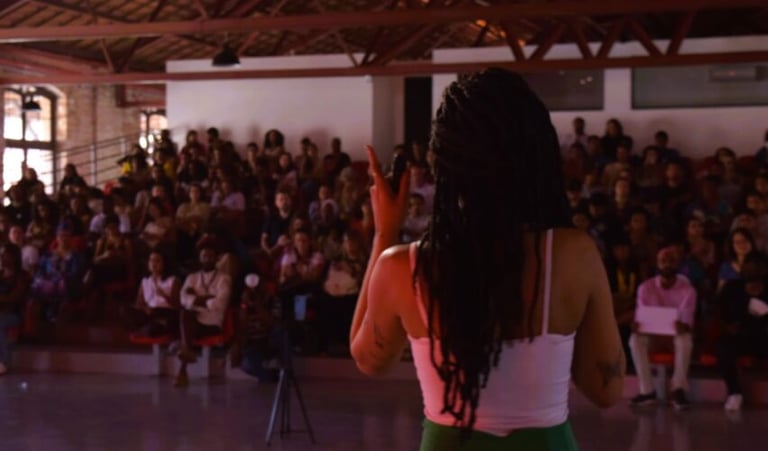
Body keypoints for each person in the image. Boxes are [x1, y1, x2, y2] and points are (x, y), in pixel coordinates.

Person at [349, 69, 624, 450]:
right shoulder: (571, 254)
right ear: (536, 155)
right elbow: (606, 389)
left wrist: (384, 233)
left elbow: (369, 360)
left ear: (440, 162)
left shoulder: (401, 268)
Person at [628, 247, 697, 410]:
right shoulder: (645, 287)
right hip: (652, 336)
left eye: (671, 261)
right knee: (635, 340)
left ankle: (678, 389)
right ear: (657, 264)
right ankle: (647, 391)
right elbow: (642, 316)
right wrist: (637, 325)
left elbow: (686, 322)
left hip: (674, 337)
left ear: (678, 264)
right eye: (663, 261)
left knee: (685, 340)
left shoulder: (688, 290)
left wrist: (682, 326)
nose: (667, 265)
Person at [715, 253, 768, 412]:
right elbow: (720, 313)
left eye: (756, 267)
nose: (751, 270)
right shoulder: (732, 288)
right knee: (724, 346)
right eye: (748, 265)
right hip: (740, 336)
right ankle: (734, 393)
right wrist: (728, 326)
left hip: (764, 336)